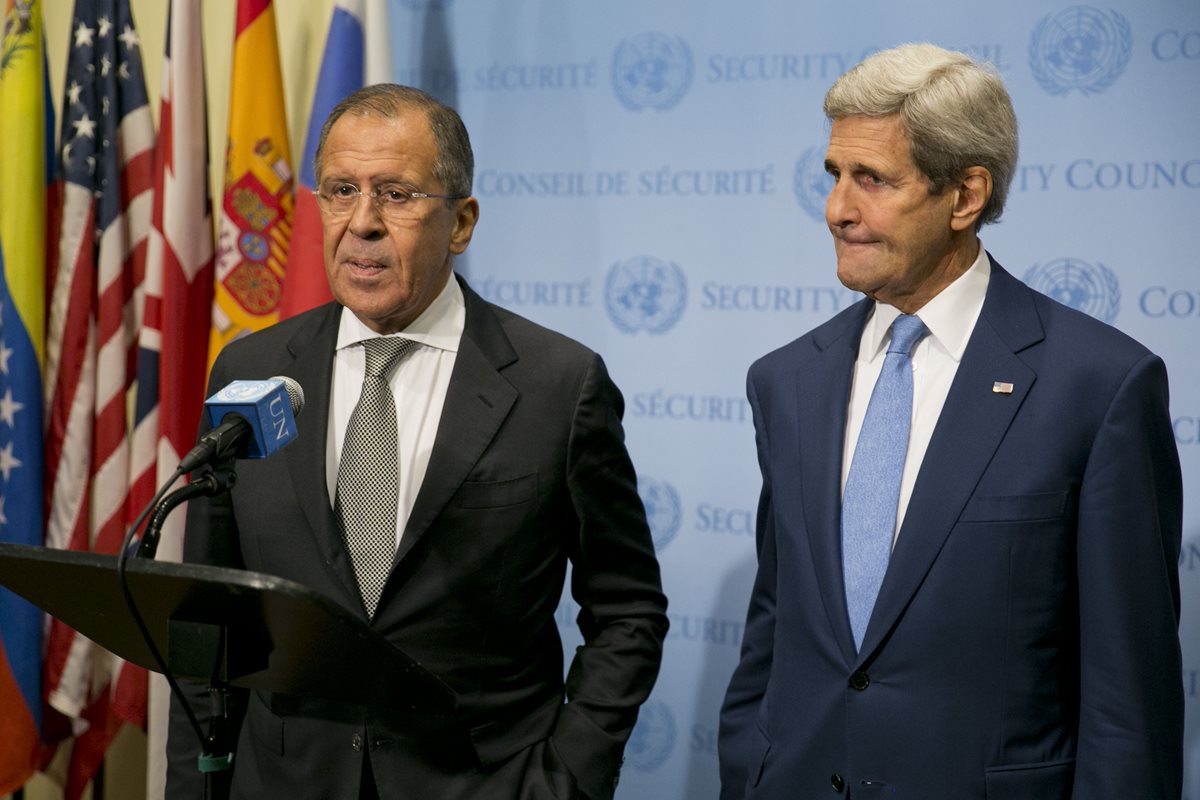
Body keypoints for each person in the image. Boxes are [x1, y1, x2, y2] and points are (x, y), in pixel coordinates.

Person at [167, 84, 668, 800]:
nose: (362, 223)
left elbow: (628, 612)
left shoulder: (560, 386)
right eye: (341, 191)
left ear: (461, 222)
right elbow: (206, 619)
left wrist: (566, 781)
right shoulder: (251, 371)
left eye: (396, 195)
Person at [718, 43, 1183, 799]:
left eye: (872, 179)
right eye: (833, 175)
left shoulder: (1099, 389)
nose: (837, 209)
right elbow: (776, 630)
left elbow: (1129, 706)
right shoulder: (785, 381)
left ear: (966, 195)